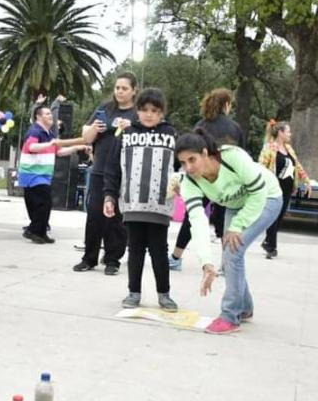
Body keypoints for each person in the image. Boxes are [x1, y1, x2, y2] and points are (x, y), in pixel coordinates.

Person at [175, 129, 284, 334]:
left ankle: (230, 316)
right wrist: (207, 263)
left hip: (267, 197)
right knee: (230, 254)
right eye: (183, 163)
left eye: (192, 160)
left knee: (233, 251)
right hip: (235, 205)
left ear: (205, 153)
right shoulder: (189, 182)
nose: (188, 167)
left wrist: (237, 226)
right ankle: (245, 308)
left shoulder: (232, 157)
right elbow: (197, 223)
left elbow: (258, 192)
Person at [103, 88, 179, 312]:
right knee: (134, 249)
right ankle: (133, 292)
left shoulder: (172, 134)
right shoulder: (125, 133)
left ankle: (164, 294)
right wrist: (109, 195)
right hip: (132, 202)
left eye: (154, 111)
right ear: (137, 110)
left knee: (159, 250)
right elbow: (112, 167)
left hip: (160, 205)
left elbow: (182, 166)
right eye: (144, 110)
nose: (148, 115)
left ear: (162, 113)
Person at [170, 88, 245, 270]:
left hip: (200, 178)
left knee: (192, 216)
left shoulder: (200, 125)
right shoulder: (235, 128)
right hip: (226, 180)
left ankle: (176, 258)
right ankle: (226, 264)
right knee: (223, 220)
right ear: (226, 104)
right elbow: (241, 152)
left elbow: (190, 149)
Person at [72, 72, 138, 275]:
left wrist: (130, 128)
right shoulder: (104, 109)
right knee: (94, 214)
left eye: (124, 88)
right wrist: (94, 128)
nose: (119, 91)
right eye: (117, 87)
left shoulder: (137, 114)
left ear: (134, 91)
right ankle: (89, 257)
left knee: (116, 218)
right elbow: (86, 138)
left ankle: (112, 259)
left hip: (125, 172)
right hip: (100, 169)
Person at [20, 105, 90, 244]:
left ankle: (40, 232)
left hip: (43, 175)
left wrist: (77, 147)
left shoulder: (49, 134)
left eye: (50, 114)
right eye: (46, 114)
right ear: (38, 117)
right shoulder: (35, 131)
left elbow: (59, 152)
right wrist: (49, 144)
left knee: (45, 204)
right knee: (45, 202)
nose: (50, 116)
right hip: (32, 174)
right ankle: (33, 230)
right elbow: (31, 147)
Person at [258, 120, 312, 259]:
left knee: (280, 216)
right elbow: (261, 166)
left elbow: (297, 166)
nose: (290, 134)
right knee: (274, 216)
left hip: (288, 188)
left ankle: (268, 242)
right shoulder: (269, 148)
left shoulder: (289, 149)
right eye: (288, 131)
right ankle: (271, 246)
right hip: (274, 188)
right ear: (280, 133)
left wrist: (306, 181)